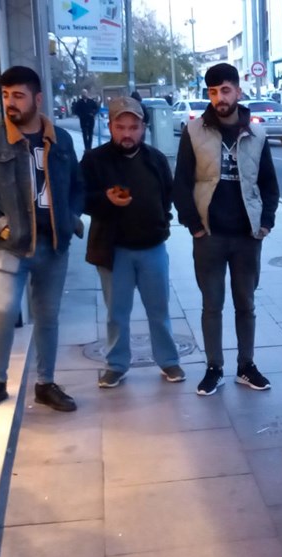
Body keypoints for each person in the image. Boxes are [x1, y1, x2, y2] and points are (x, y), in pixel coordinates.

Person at [0, 66, 84, 413]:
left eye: (18, 95)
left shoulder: (62, 138)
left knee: (48, 317)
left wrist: (72, 217)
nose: (10, 103)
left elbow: (77, 185)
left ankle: (45, 384)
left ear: (38, 99)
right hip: (11, 244)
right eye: (5, 95)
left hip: (55, 245)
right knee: (3, 311)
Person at [173, 63, 280, 396]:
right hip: (210, 235)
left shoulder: (257, 134)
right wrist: (194, 225)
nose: (220, 97)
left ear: (238, 91)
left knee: (245, 304)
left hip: (247, 236)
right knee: (211, 305)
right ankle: (213, 367)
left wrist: (266, 222)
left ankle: (246, 366)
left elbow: (269, 183)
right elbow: (181, 182)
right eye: (213, 92)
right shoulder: (194, 131)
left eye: (226, 90)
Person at [82, 97, 184, 388]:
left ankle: (168, 361)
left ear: (143, 127)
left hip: (152, 248)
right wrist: (105, 200)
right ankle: (116, 364)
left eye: (134, 127)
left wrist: (161, 222)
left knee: (159, 311)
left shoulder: (156, 159)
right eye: (120, 126)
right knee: (117, 313)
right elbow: (77, 198)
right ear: (110, 126)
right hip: (113, 252)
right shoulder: (94, 160)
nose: (127, 133)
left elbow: (167, 195)